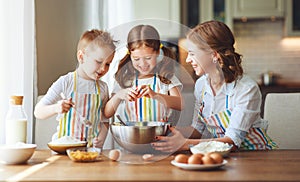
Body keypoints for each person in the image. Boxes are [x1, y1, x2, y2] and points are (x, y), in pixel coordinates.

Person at [152, 20, 278, 152]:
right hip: (224, 159)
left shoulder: (246, 89)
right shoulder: (201, 85)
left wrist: (185, 144)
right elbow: (197, 130)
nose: (188, 59)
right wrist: (167, 130)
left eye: (192, 53)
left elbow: (232, 142)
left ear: (214, 55)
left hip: (257, 157)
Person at [34, 29, 116, 148]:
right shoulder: (66, 82)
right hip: (63, 150)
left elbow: (104, 120)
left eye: (108, 64)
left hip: (90, 151)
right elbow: (38, 112)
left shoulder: (103, 88)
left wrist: (101, 138)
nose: (103, 69)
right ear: (81, 57)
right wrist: (57, 108)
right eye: (99, 62)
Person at [104, 25, 183, 122]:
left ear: (158, 52)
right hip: (131, 135)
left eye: (148, 58)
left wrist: (155, 95)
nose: (143, 64)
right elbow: (107, 113)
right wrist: (118, 95)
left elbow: (180, 104)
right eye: (136, 59)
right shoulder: (125, 79)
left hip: (160, 134)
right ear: (130, 54)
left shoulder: (166, 77)